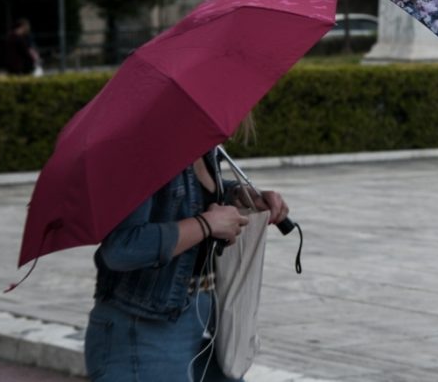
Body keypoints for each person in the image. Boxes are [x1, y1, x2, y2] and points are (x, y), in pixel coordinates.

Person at [84, 119, 289, 382]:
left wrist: (239, 195)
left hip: (205, 316)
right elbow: (122, 248)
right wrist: (206, 225)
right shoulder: (143, 146)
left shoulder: (200, 142)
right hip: (144, 330)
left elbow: (186, 198)